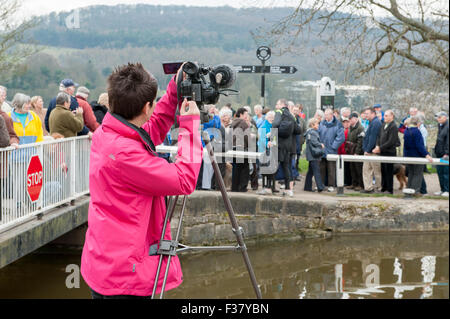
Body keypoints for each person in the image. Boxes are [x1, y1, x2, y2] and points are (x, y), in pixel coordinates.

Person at [81, 62, 203, 299]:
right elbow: (184, 180)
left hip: (104, 263)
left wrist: (174, 91)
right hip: (125, 277)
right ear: (147, 106)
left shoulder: (108, 133)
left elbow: (149, 129)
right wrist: (190, 127)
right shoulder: (126, 154)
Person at [272, 99, 301, 197]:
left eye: (277, 104)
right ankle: (288, 189)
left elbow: (275, 124)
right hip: (289, 146)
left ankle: (269, 187)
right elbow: (298, 130)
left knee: (274, 165)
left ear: (282, 105)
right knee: (286, 167)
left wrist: (273, 135)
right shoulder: (291, 115)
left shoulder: (279, 112)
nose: (276, 106)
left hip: (280, 144)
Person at [403, 116, 433, 196]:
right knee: (417, 174)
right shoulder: (417, 132)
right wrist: (426, 155)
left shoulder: (406, 131)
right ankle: (415, 191)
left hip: (408, 157)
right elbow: (419, 146)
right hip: (417, 157)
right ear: (418, 123)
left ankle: (408, 191)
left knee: (411, 174)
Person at [372, 110, 399, 194]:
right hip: (382, 151)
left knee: (389, 171)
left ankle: (389, 189)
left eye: (387, 116)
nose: (385, 117)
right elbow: (379, 136)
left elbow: (391, 141)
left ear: (392, 116)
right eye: (384, 116)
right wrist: (377, 145)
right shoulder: (383, 124)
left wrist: (380, 148)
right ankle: (384, 187)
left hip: (389, 152)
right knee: (383, 170)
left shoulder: (393, 126)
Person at [318, 108, 345, 192]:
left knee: (331, 169)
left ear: (331, 115)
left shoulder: (338, 124)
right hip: (322, 150)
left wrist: (333, 146)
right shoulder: (322, 123)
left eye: (327, 115)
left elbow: (341, 137)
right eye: (324, 115)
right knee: (321, 168)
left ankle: (331, 185)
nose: (325, 116)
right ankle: (321, 184)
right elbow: (318, 134)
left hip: (331, 150)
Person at [361, 107, 382, 193]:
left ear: (373, 114)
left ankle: (379, 188)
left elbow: (373, 138)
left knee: (376, 171)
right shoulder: (371, 122)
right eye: (365, 113)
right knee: (367, 170)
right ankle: (368, 188)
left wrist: (368, 150)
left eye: (367, 113)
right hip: (369, 150)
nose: (366, 115)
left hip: (372, 152)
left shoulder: (376, 123)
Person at [231, 107, 251, 192]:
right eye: (246, 115)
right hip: (242, 148)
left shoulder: (233, 122)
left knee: (235, 168)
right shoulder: (243, 123)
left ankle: (234, 187)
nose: (247, 117)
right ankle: (242, 187)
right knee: (244, 168)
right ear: (241, 114)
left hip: (234, 148)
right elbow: (247, 137)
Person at [256, 110, 276, 195]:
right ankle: (265, 187)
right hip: (264, 151)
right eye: (270, 117)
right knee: (265, 170)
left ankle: (272, 187)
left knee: (272, 169)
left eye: (273, 117)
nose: (271, 119)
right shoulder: (263, 126)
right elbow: (261, 139)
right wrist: (267, 143)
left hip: (273, 151)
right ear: (267, 118)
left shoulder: (274, 126)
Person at [304, 118, 325, 192]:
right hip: (314, 155)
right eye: (317, 124)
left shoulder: (309, 132)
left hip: (311, 155)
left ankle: (307, 187)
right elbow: (314, 142)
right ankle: (320, 187)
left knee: (310, 172)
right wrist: (321, 145)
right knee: (316, 171)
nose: (318, 125)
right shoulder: (313, 132)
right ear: (312, 125)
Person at [346, 112, 364, 191]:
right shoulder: (351, 127)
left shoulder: (360, 128)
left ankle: (360, 184)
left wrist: (357, 152)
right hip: (351, 150)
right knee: (352, 168)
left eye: (351, 118)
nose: (349, 120)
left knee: (358, 168)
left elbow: (360, 141)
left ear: (356, 119)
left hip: (357, 151)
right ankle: (354, 183)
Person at [433, 112, 449, 197]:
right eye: (437, 117)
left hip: (445, 155)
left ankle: (447, 190)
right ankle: (442, 189)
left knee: (446, 173)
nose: (438, 119)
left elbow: (448, 141)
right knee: (440, 172)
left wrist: (447, 153)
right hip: (439, 153)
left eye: (440, 117)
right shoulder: (440, 125)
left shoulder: (447, 126)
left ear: (445, 117)